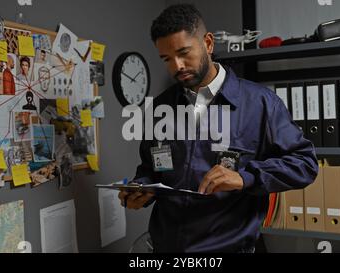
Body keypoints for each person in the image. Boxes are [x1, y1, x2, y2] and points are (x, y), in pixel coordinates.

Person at [118, 4, 318, 253]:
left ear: (208, 43)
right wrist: (141, 188)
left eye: (184, 53)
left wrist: (245, 177)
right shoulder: (160, 107)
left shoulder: (261, 103)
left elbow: (305, 164)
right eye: (167, 59)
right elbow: (151, 169)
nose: (177, 66)